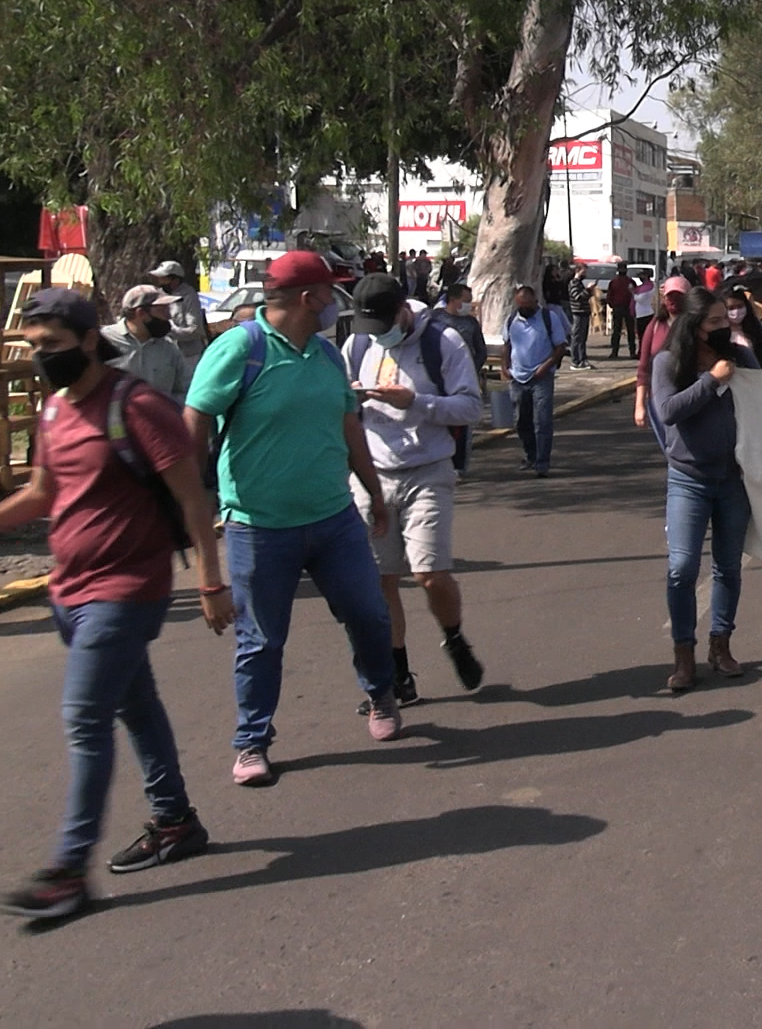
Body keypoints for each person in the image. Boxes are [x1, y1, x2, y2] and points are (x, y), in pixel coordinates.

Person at [0, 289, 232, 921]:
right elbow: (43, 492)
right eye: (34, 346)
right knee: (136, 704)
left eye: (53, 345)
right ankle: (175, 820)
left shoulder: (137, 405)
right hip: (68, 591)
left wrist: (211, 583)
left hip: (126, 590)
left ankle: (69, 871)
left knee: (85, 718)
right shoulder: (55, 410)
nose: (42, 356)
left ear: (88, 340)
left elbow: (192, 499)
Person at [182, 251, 404, 788]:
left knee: (369, 615)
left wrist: (373, 491)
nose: (335, 303)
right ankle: (251, 741)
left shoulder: (326, 356)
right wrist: (193, 498)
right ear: (309, 298)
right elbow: (195, 420)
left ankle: (380, 693)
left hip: (334, 519)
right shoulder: (240, 349)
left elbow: (348, 426)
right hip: (258, 527)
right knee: (260, 640)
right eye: (330, 293)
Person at [343, 274, 487, 712]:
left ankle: (453, 635)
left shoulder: (443, 342)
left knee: (430, 574)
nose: (378, 334)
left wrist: (416, 402)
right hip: (372, 475)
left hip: (428, 472)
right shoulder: (358, 345)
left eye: (384, 325)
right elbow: (339, 401)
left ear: (403, 311)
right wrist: (350, 400)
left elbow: (471, 407)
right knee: (380, 580)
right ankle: (397, 675)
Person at [650, 288, 759, 691]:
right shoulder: (667, 362)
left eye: (726, 319)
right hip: (688, 480)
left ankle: (720, 644)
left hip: (733, 480)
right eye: (715, 321)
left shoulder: (740, 357)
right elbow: (669, 411)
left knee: (728, 566)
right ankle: (684, 655)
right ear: (693, 326)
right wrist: (711, 381)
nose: (724, 326)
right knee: (682, 568)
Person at [504, 283, 568, 476]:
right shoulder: (512, 319)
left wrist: (545, 367)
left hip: (541, 377)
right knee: (521, 421)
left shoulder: (549, 318)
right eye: (521, 306)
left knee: (542, 421)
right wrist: (504, 366)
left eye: (528, 306)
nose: (525, 310)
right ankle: (530, 455)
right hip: (518, 378)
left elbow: (560, 347)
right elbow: (506, 344)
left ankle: (542, 462)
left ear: (535, 302)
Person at [432, 284, 488, 476]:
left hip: (464, 381)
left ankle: (459, 465)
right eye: (466, 301)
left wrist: (471, 370)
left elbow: (481, 350)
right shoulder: (435, 320)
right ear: (453, 300)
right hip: (439, 380)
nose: (469, 305)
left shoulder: (471, 323)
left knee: (462, 424)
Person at [103, 285, 191, 404]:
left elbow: (186, 390)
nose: (169, 316)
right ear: (141, 314)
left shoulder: (169, 349)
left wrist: (167, 407)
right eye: (162, 311)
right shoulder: (104, 341)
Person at [634, 275, 691, 430]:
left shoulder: (696, 326)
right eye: (670, 296)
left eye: (679, 296)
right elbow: (643, 368)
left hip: (689, 398)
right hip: (658, 400)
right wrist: (639, 405)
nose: (673, 301)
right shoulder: (655, 326)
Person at [146, 261, 209, 374]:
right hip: (164, 354)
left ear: (175, 280)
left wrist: (169, 330)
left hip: (188, 355)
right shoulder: (158, 294)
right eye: (159, 278)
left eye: (164, 279)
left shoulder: (188, 295)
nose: (160, 282)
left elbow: (195, 330)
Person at [726, 286, 762, 370]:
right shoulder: (719, 331)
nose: (736, 311)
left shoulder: (760, 328)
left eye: (740, 306)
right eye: (731, 308)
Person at [605, 260, 639, 360]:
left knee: (617, 330)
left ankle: (615, 352)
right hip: (626, 307)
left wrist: (612, 305)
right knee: (629, 330)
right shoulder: (630, 281)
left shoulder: (614, 282)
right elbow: (635, 294)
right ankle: (631, 352)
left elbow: (609, 296)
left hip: (620, 307)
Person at [565, 260, 596, 370]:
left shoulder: (579, 283)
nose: (585, 274)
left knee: (582, 338)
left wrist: (589, 291)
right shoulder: (574, 283)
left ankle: (583, 359)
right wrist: (588, 290)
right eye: (584, 272)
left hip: (584, 313)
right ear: (578, 271)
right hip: (578, 313)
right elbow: (577, 297)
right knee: (577, 337)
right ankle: (575, 361)